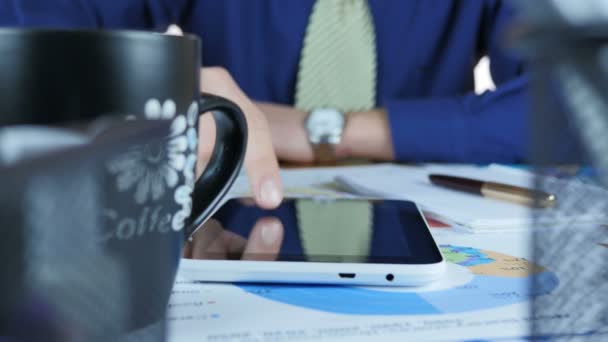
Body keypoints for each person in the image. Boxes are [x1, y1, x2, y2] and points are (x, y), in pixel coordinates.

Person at [1, 0, 528, 165]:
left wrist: (326, 130)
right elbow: (21, 44)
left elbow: (579, 104)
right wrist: (157, 96)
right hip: (221, 215)